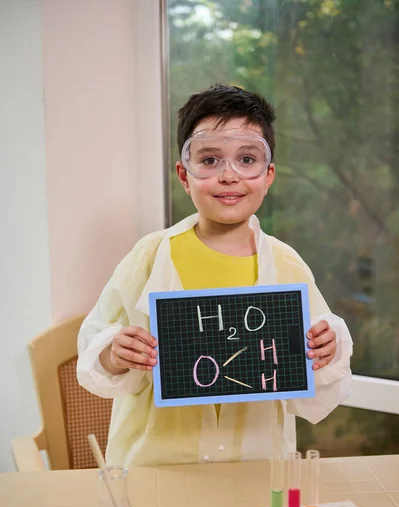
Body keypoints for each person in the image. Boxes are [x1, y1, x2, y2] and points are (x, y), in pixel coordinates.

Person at [77, 84, 353, 467]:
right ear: (184, 175)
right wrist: (114, 352)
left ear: (268, 175)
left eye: (246, 159)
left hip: (255, 469)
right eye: (209, 160)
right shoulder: (150, 257)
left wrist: (326, 348)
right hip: (156, 467)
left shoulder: (287, 265)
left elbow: (317, 383)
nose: (228, 175)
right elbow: (94, 350)